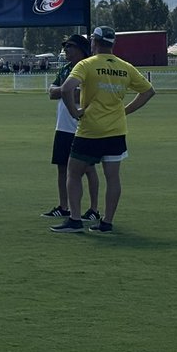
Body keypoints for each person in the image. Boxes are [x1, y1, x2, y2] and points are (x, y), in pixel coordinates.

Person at [50, 26, 157, 234]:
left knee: (73, 172)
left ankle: (74, 219)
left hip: (90, 130)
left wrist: (75, 112)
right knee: (113, 177)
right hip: (116, 130)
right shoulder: (125, 67)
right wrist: (124, 111)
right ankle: (106, 222)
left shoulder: (86, 64)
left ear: (95, 42)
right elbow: (148, 91)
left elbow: (66, 88)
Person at [41, 35, 101, 223]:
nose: (66, 50)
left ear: (82, 49)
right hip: (63, 126)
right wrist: (65, 91)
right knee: (62, 167)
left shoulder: (89, 68)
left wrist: (64, 91)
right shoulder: (66, 69)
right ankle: (64, 206)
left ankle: (93, 209)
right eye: (65, 46)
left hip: (82, 126)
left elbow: (81, 96)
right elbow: (52, 92)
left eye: (70, 46)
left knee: (89, 168)